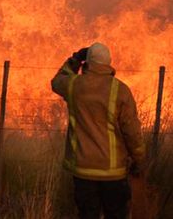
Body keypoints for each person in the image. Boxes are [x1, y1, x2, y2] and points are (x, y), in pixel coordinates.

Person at [51, 43, 145, 219]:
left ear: (87, 63)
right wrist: (138, 160)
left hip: (83, 171)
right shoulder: (120, 90)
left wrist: (74, 61)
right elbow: (131, 131)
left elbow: (57, 82)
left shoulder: (74, 85)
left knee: (87, 215)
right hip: (113, 173)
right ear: (109, 64)